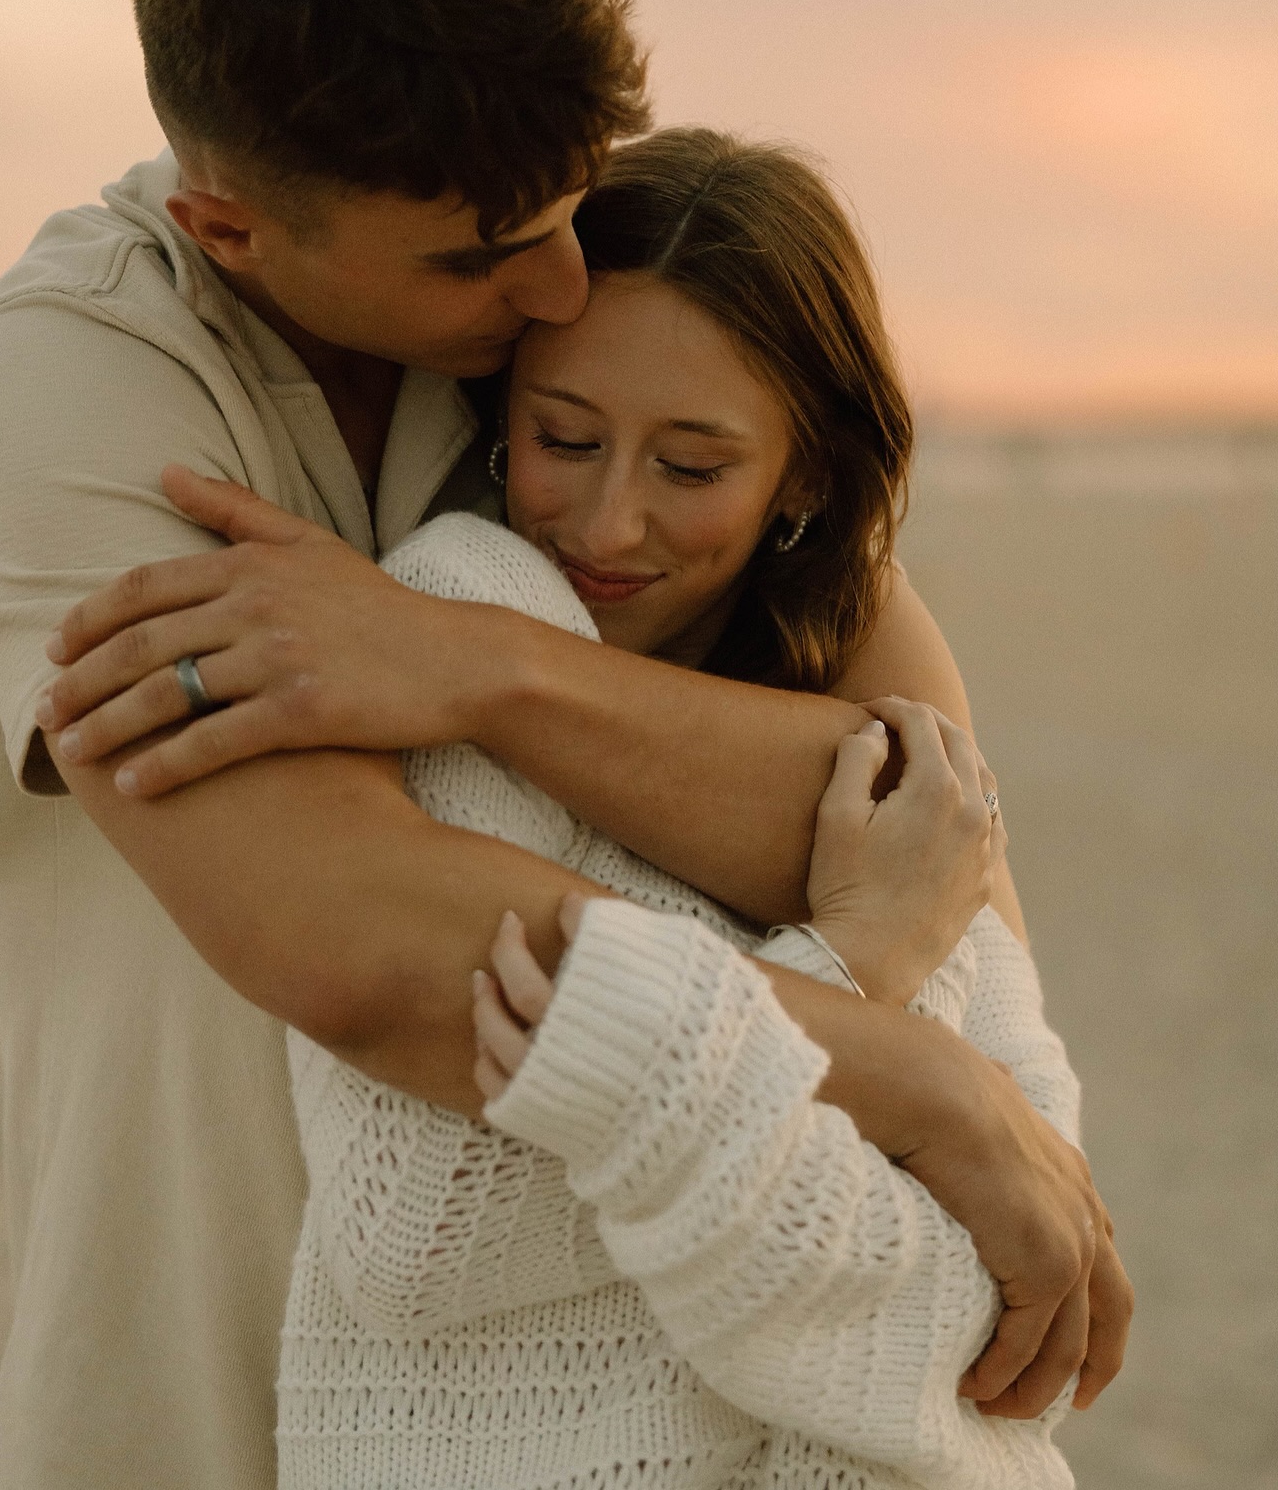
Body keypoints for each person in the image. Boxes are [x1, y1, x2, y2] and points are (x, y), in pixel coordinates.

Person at [0, 0, 1127, 1490]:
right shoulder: (62, 390)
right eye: (495, 253)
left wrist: (480, 664)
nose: (565, 287)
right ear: (231, 229)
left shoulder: (541, 330)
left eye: (575, 205)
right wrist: (919, 1079)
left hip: (597, 1418)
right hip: (193, 1390)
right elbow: (364, 942)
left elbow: (926, 804)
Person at [58, 131, 1088, 1487]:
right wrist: (860, 975)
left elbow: (1023, 1273)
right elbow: (418, 1234)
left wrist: (681, 1104)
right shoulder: (465, 602)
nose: (606, 526)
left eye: (693, 466)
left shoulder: (871, 693)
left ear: (808, 477)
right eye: (566, 438)